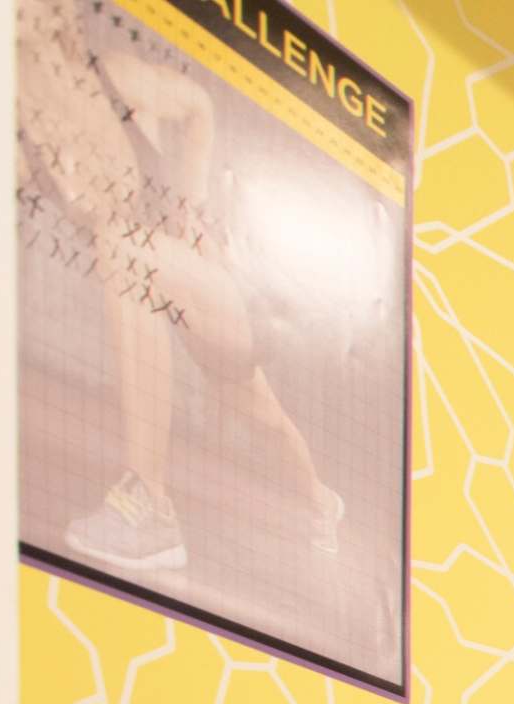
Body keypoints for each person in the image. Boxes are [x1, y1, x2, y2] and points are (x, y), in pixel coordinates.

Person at [19, 0, 347, 581]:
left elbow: (197, 106)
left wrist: (194, 212)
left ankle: (150, 505)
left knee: (120, 243)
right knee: (257, 412)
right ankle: (323, 502)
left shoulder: (108, 76)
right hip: (157, 299)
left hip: (203, 282)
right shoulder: (24, 140)